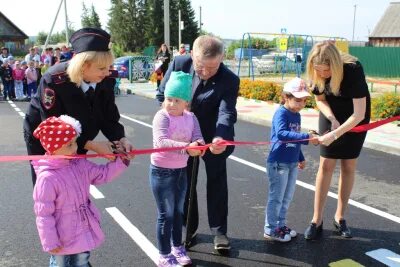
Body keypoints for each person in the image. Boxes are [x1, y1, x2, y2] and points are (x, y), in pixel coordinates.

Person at [156, 35, 240, 250]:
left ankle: (219, 232)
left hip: (214, 137)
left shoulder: (229, 79)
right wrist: (175, 114)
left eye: (213, 67)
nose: (207, 72)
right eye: (202, 67)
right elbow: (162, 94)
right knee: (185, 183)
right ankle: (188, 228)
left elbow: (226, 112)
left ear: (221, 59)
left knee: (217, 183)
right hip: (183, 137)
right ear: (192, 55)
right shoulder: (180, 64)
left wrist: (220, 137)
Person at [23, 27, 134, 186]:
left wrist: (120, 139)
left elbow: (108, 116)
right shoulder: (54, 80)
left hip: (77, 137)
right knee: (50, 184)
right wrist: (93, 145)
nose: (107, 72)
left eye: (108, 67)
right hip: (46, 137)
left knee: (74, 180)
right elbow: (52, 126)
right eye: (101, 68)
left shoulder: (106, 79)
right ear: (83, 66)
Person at [32, 115, 130, 267]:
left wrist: (122, 161)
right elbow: (44, 214)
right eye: (69, 145)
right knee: (61, 264)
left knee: (81, 262)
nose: (76, 148)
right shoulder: (47, 178)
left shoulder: (80, 164)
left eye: (75, 143)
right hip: (61, 237)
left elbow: (102, 174)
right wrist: (50, 241)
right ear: (53, 148)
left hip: (82, 229)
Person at [303, 41, 371, 240]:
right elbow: (320, 100)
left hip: (354, 116)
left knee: (348, 165)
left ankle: (340, 217)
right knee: (326, 164)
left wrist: (335, 134)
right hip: (330, 111)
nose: (322, 74)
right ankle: (316, 219)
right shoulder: (316, 73)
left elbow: (358, 114)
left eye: (326, 70)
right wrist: (331, 119)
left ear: (335, 65)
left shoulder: (353, 70)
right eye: (318, 70)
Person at [150, 71, 205, 267]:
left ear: (186, 103)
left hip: (181, 170)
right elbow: (161, 141)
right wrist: (187, 149)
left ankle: (177, 247)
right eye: (168, 99)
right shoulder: (161, 117)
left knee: (179, 212)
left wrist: (199, 145)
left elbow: (199, 137)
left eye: (176, 100)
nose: (171, 104)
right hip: (162, 171)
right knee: (166, 214)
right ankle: (164, 254)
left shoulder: (191, 118)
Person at [264, 78, 319, 242]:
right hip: (278, 162)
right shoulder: (281, 113)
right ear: (285, 97)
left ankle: (280, 225)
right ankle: (270, 229)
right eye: (297, 100)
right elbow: (281, 134)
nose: (301, 104)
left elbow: (294, 141)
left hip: (292, 162)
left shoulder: (297, 115)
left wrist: (300, 157)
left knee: (286, 197)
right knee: (277, 197)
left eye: (304, 100)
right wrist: (307, 137)